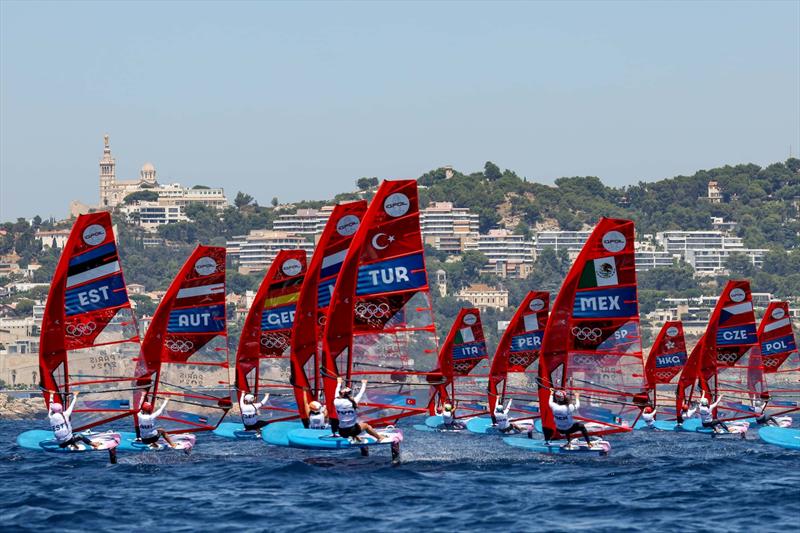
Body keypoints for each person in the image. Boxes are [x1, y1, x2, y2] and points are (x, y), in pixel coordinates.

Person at [333, 377, 385, 442]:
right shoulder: (354, 401)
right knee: (366, 425)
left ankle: (356, 437)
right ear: (349, 394)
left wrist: (339, 383)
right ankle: (379, 437)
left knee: (352, 424)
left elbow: (336, 391)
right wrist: (364, 383)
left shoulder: (336, 401)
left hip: (341, 432)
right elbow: (361, 392)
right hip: (352, 430)